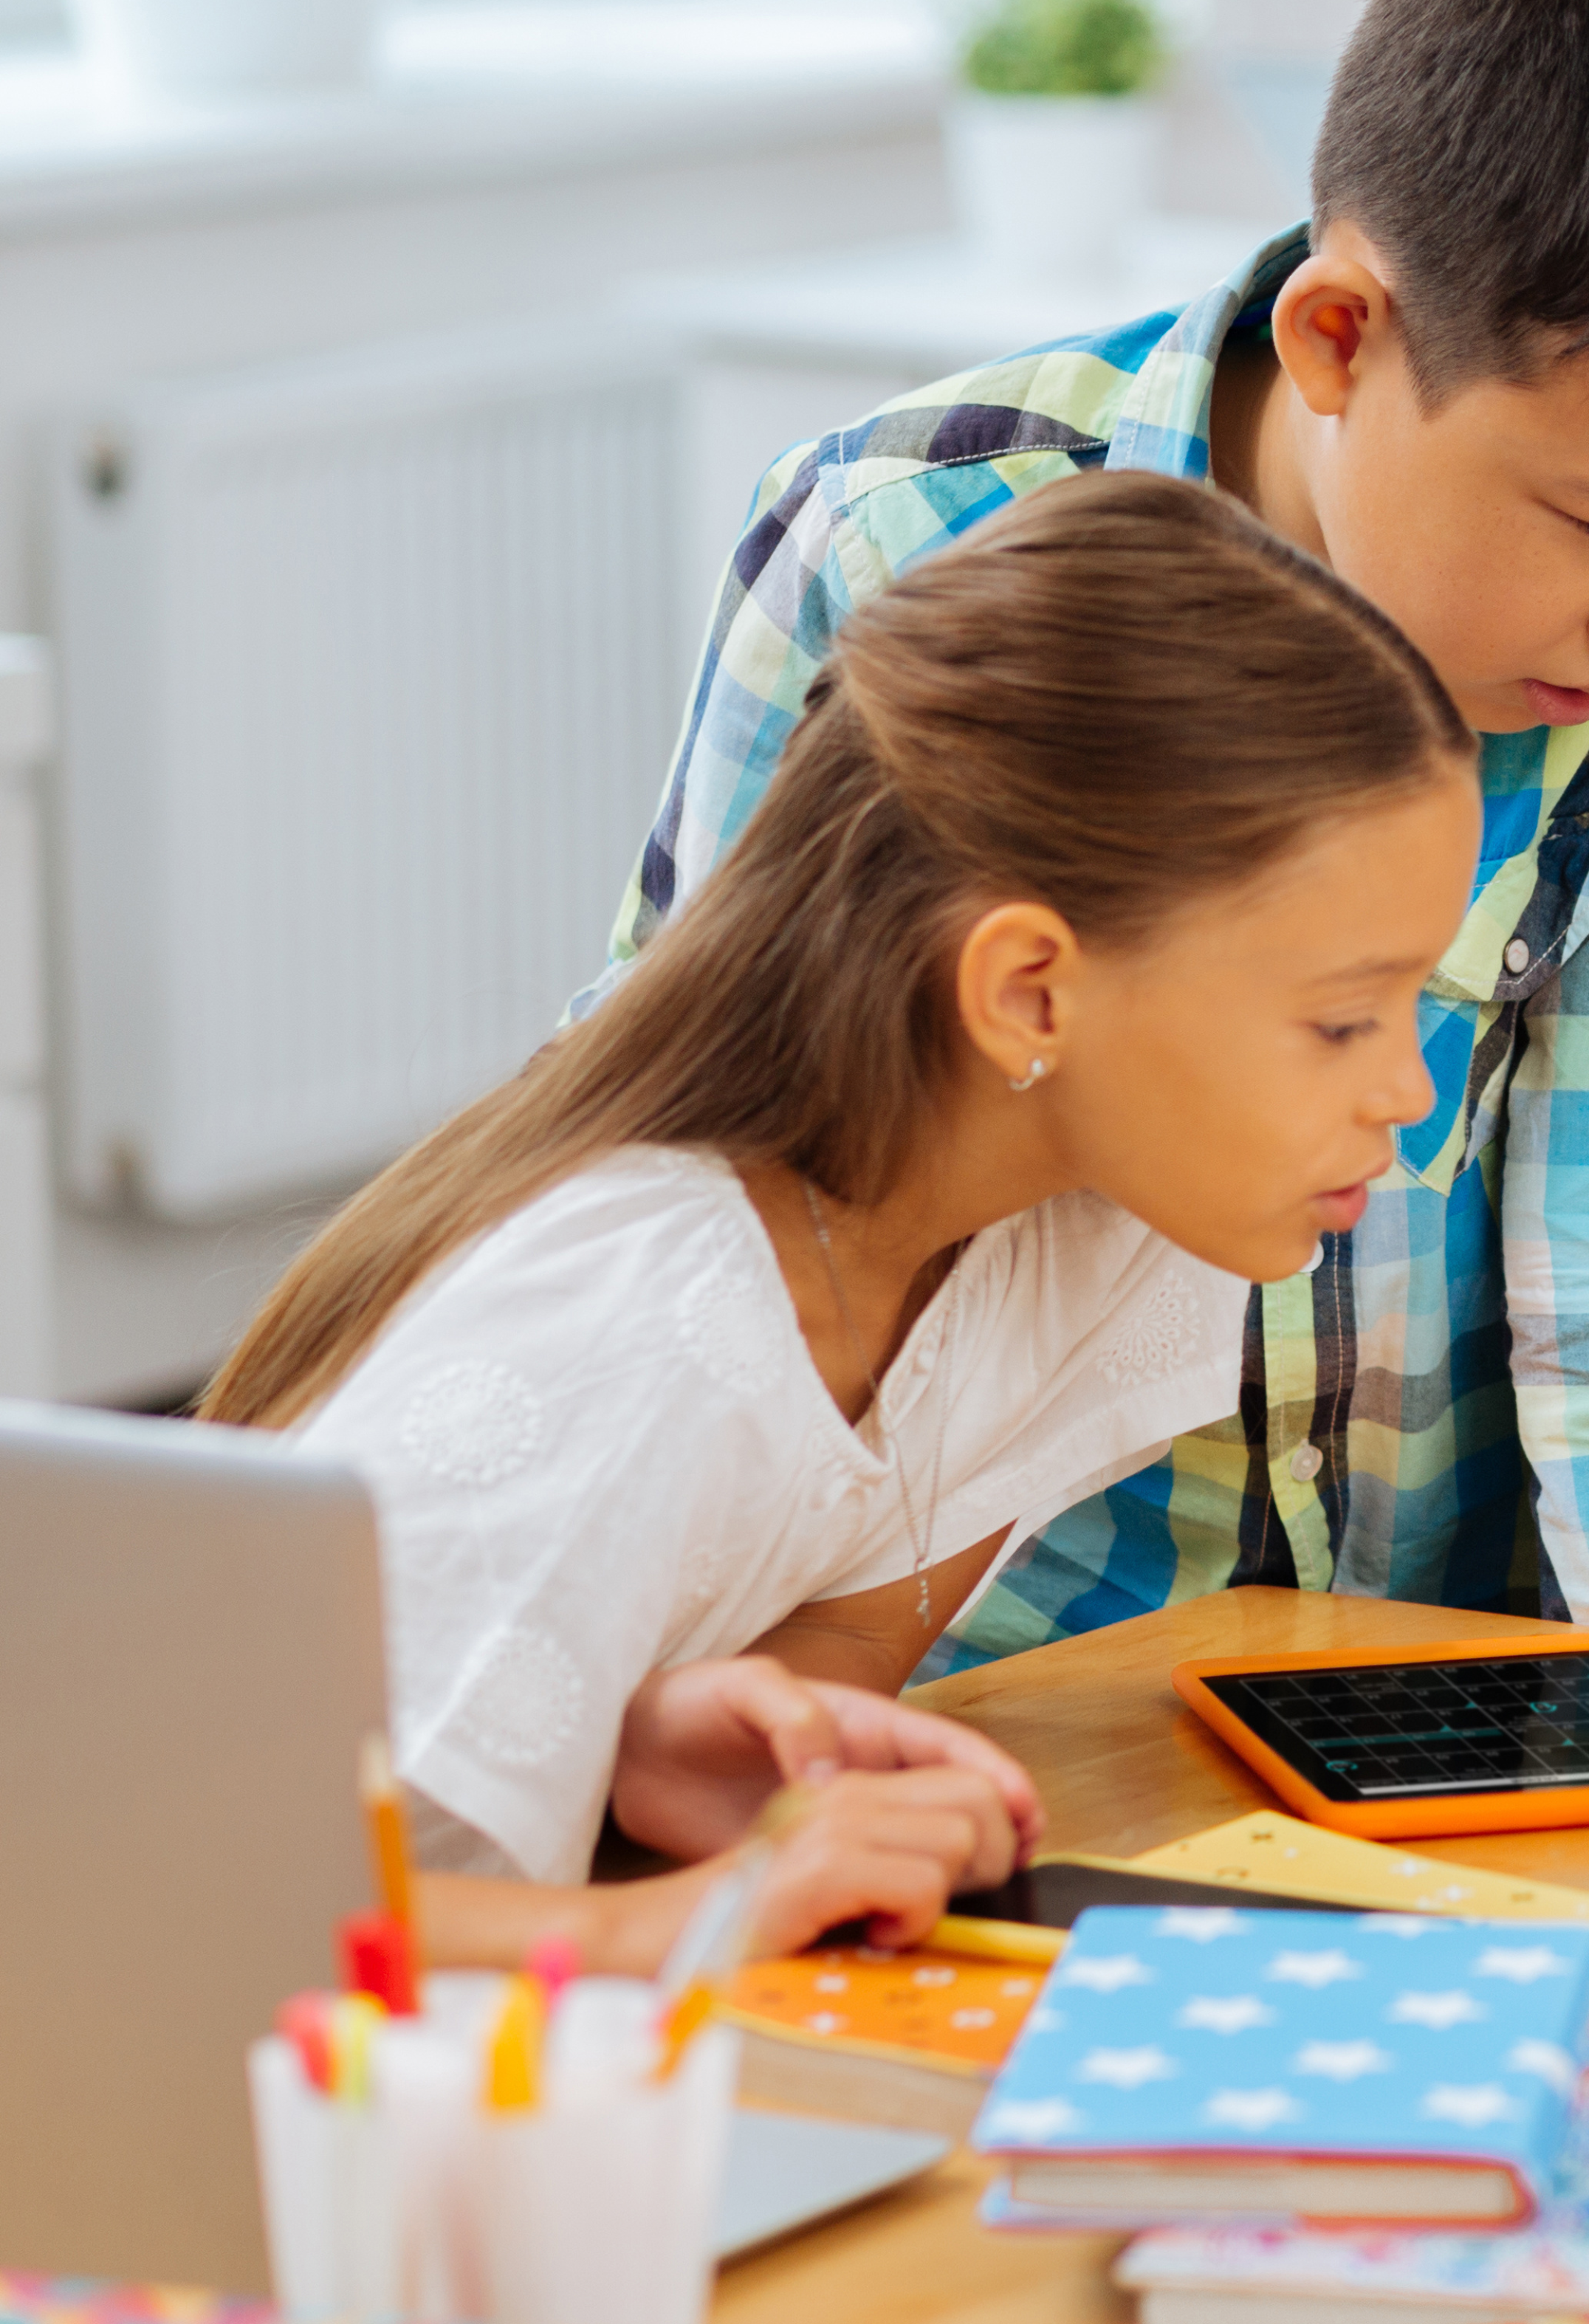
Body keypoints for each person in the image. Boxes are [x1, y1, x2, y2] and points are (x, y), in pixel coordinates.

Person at [597, 0, 1589, 1660]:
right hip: (963, 1672)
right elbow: (708, 1200)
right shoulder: (901, 550)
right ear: (1338, 339)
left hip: (1435, 1677)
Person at [216, 474, 1480, 1970]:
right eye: (1341, 1021)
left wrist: (662, 1735)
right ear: (1030, 991)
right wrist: (696, 1919)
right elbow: (191, 1915)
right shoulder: (637, 1319)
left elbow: (830, 1650)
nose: (1410, 1089)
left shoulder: (1089, 1232)